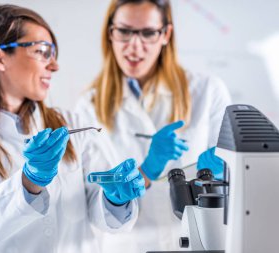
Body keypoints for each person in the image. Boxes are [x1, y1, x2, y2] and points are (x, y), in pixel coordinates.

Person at [0, 4, 146, 253]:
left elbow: (102, 214)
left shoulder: (71, 123)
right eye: (43, 52)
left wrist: (114, 199)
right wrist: (27, 182)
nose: (54, 66)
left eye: (53, 54)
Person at [75, 0, 231, 251]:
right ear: (110, 33)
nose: (135, 46)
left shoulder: (208, 91)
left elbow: (236, 191)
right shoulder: (89, 106)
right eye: (124, 31)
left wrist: (223, 172)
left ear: (165, 34)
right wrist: (140, 176)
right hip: (127, 244)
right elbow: (93, 207)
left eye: (148, 33)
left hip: (197, 241)